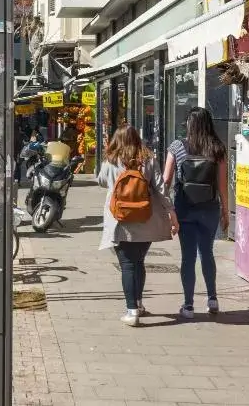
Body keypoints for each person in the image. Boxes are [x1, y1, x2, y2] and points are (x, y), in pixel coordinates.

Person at [98, 125, 177, 326]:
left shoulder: (111, 160)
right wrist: (171, 213)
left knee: (127, 265)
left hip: (120, 219)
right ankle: (139, 304)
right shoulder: (148, 159)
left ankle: (131, 310)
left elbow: (101, 181)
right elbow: (161, 187)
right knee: (139, 261)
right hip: (145, 219)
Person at [163, 107, 228, 320]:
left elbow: (165, 180)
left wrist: (167, 207)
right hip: (209, 208)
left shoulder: (177, 146)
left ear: (189, 124)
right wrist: (225, 212)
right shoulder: (217, 148)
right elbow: (222, 185)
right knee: (207, 253)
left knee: (188, 257)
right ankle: (212, 299)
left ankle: (188, 306)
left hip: (184, 207)